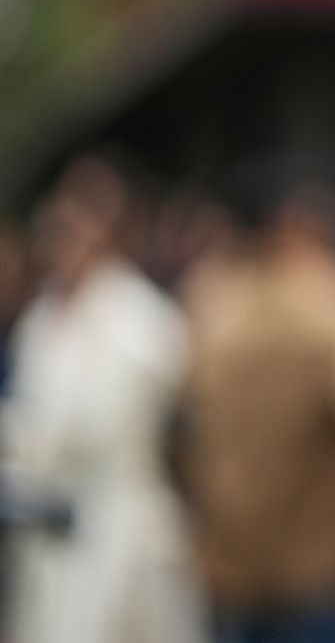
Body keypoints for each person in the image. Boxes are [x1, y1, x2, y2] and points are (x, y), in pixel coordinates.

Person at [2, 156, 207, 643]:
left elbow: (112, 423)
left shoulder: (139, 319)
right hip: (51, 529)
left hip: (122, 526)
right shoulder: (41, 319)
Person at [181, 161, 335, 642]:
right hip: (320, 565)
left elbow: (185, 423)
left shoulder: (207, 305)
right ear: (291, 224)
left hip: (234, 563)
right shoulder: (331, 303)